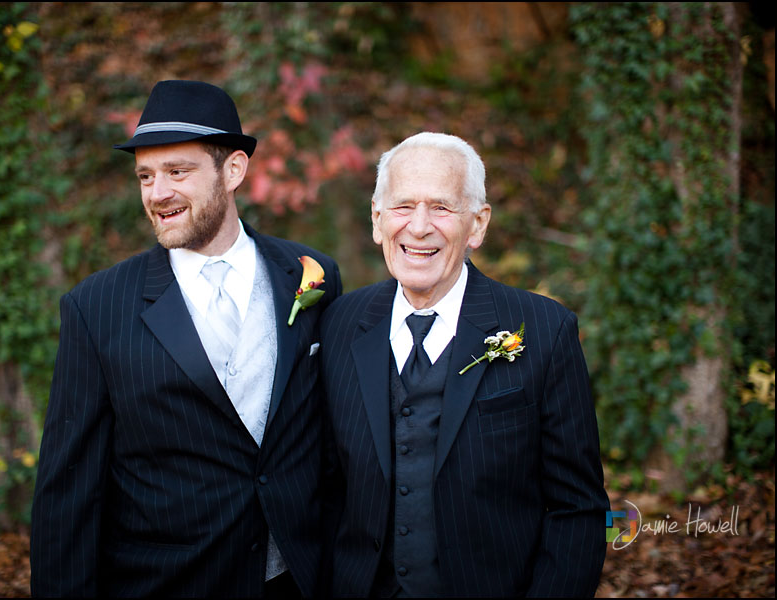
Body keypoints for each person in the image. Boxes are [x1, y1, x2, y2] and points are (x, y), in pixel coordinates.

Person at [30, 80, 341, 598]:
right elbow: (69, 493)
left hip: (298, 578)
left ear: (234, 169)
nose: (157, 193)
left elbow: (332, 441)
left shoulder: (311, 275)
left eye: (178, 172)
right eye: (146, 176)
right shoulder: (96, 307)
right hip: (167, 583)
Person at [319, 132, 609, 597]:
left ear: (477, 224)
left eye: (441, 207)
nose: (418, 227)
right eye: (402, 206)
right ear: (376, 220)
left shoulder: (544, 330)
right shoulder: (338, 324)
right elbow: (325, 486)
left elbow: (576, 509)